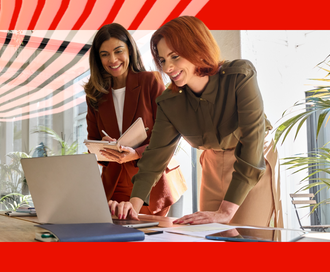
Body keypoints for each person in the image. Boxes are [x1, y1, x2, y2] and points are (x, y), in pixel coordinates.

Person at [108, 16, 282, 227]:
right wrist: (132, 207)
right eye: (163, 60)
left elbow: (253, 140)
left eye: (175, 56)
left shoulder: (239, 76)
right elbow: (155, 158)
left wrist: (226, 211)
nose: (168, 67)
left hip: (253, 160)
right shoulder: (169, 102)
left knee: (250, 238)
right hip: (211, 164)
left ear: (197, 48)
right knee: (209, 237)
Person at [84, 23, 180, 217]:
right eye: (104, 54)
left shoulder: (150, 82)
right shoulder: (95, 95)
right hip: (115, 184)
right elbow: (91, 143)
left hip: (151, 180)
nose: (112, 60)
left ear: (130, 50)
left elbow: (168, 137)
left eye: (118, 51)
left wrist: (135, 153)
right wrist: (103, 147)